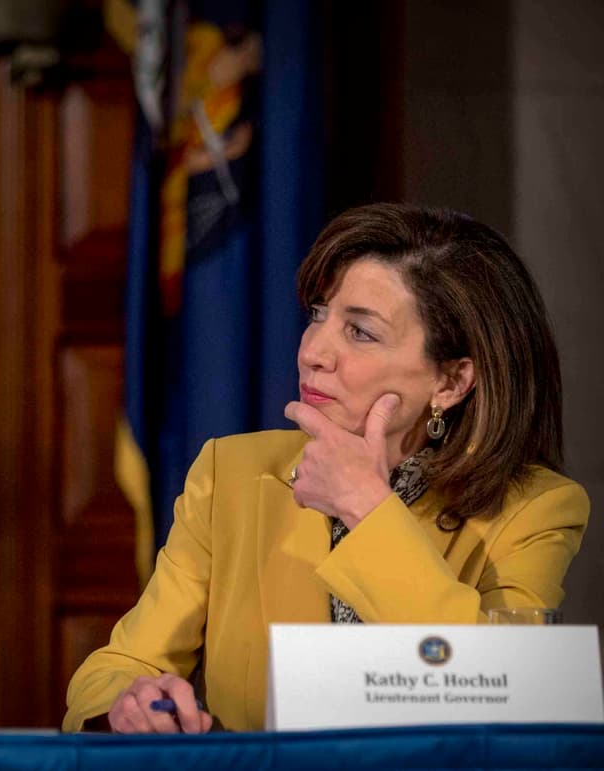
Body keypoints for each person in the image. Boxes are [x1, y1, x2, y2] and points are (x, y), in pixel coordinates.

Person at [64, 203, 589, 734]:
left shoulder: (537, 508)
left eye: (360, 332)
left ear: (451, 382)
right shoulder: (231, 475)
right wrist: (128, 703)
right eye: (318, 314)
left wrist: (368, 507)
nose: (314, 350)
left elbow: (510, 692)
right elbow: (118, 668)